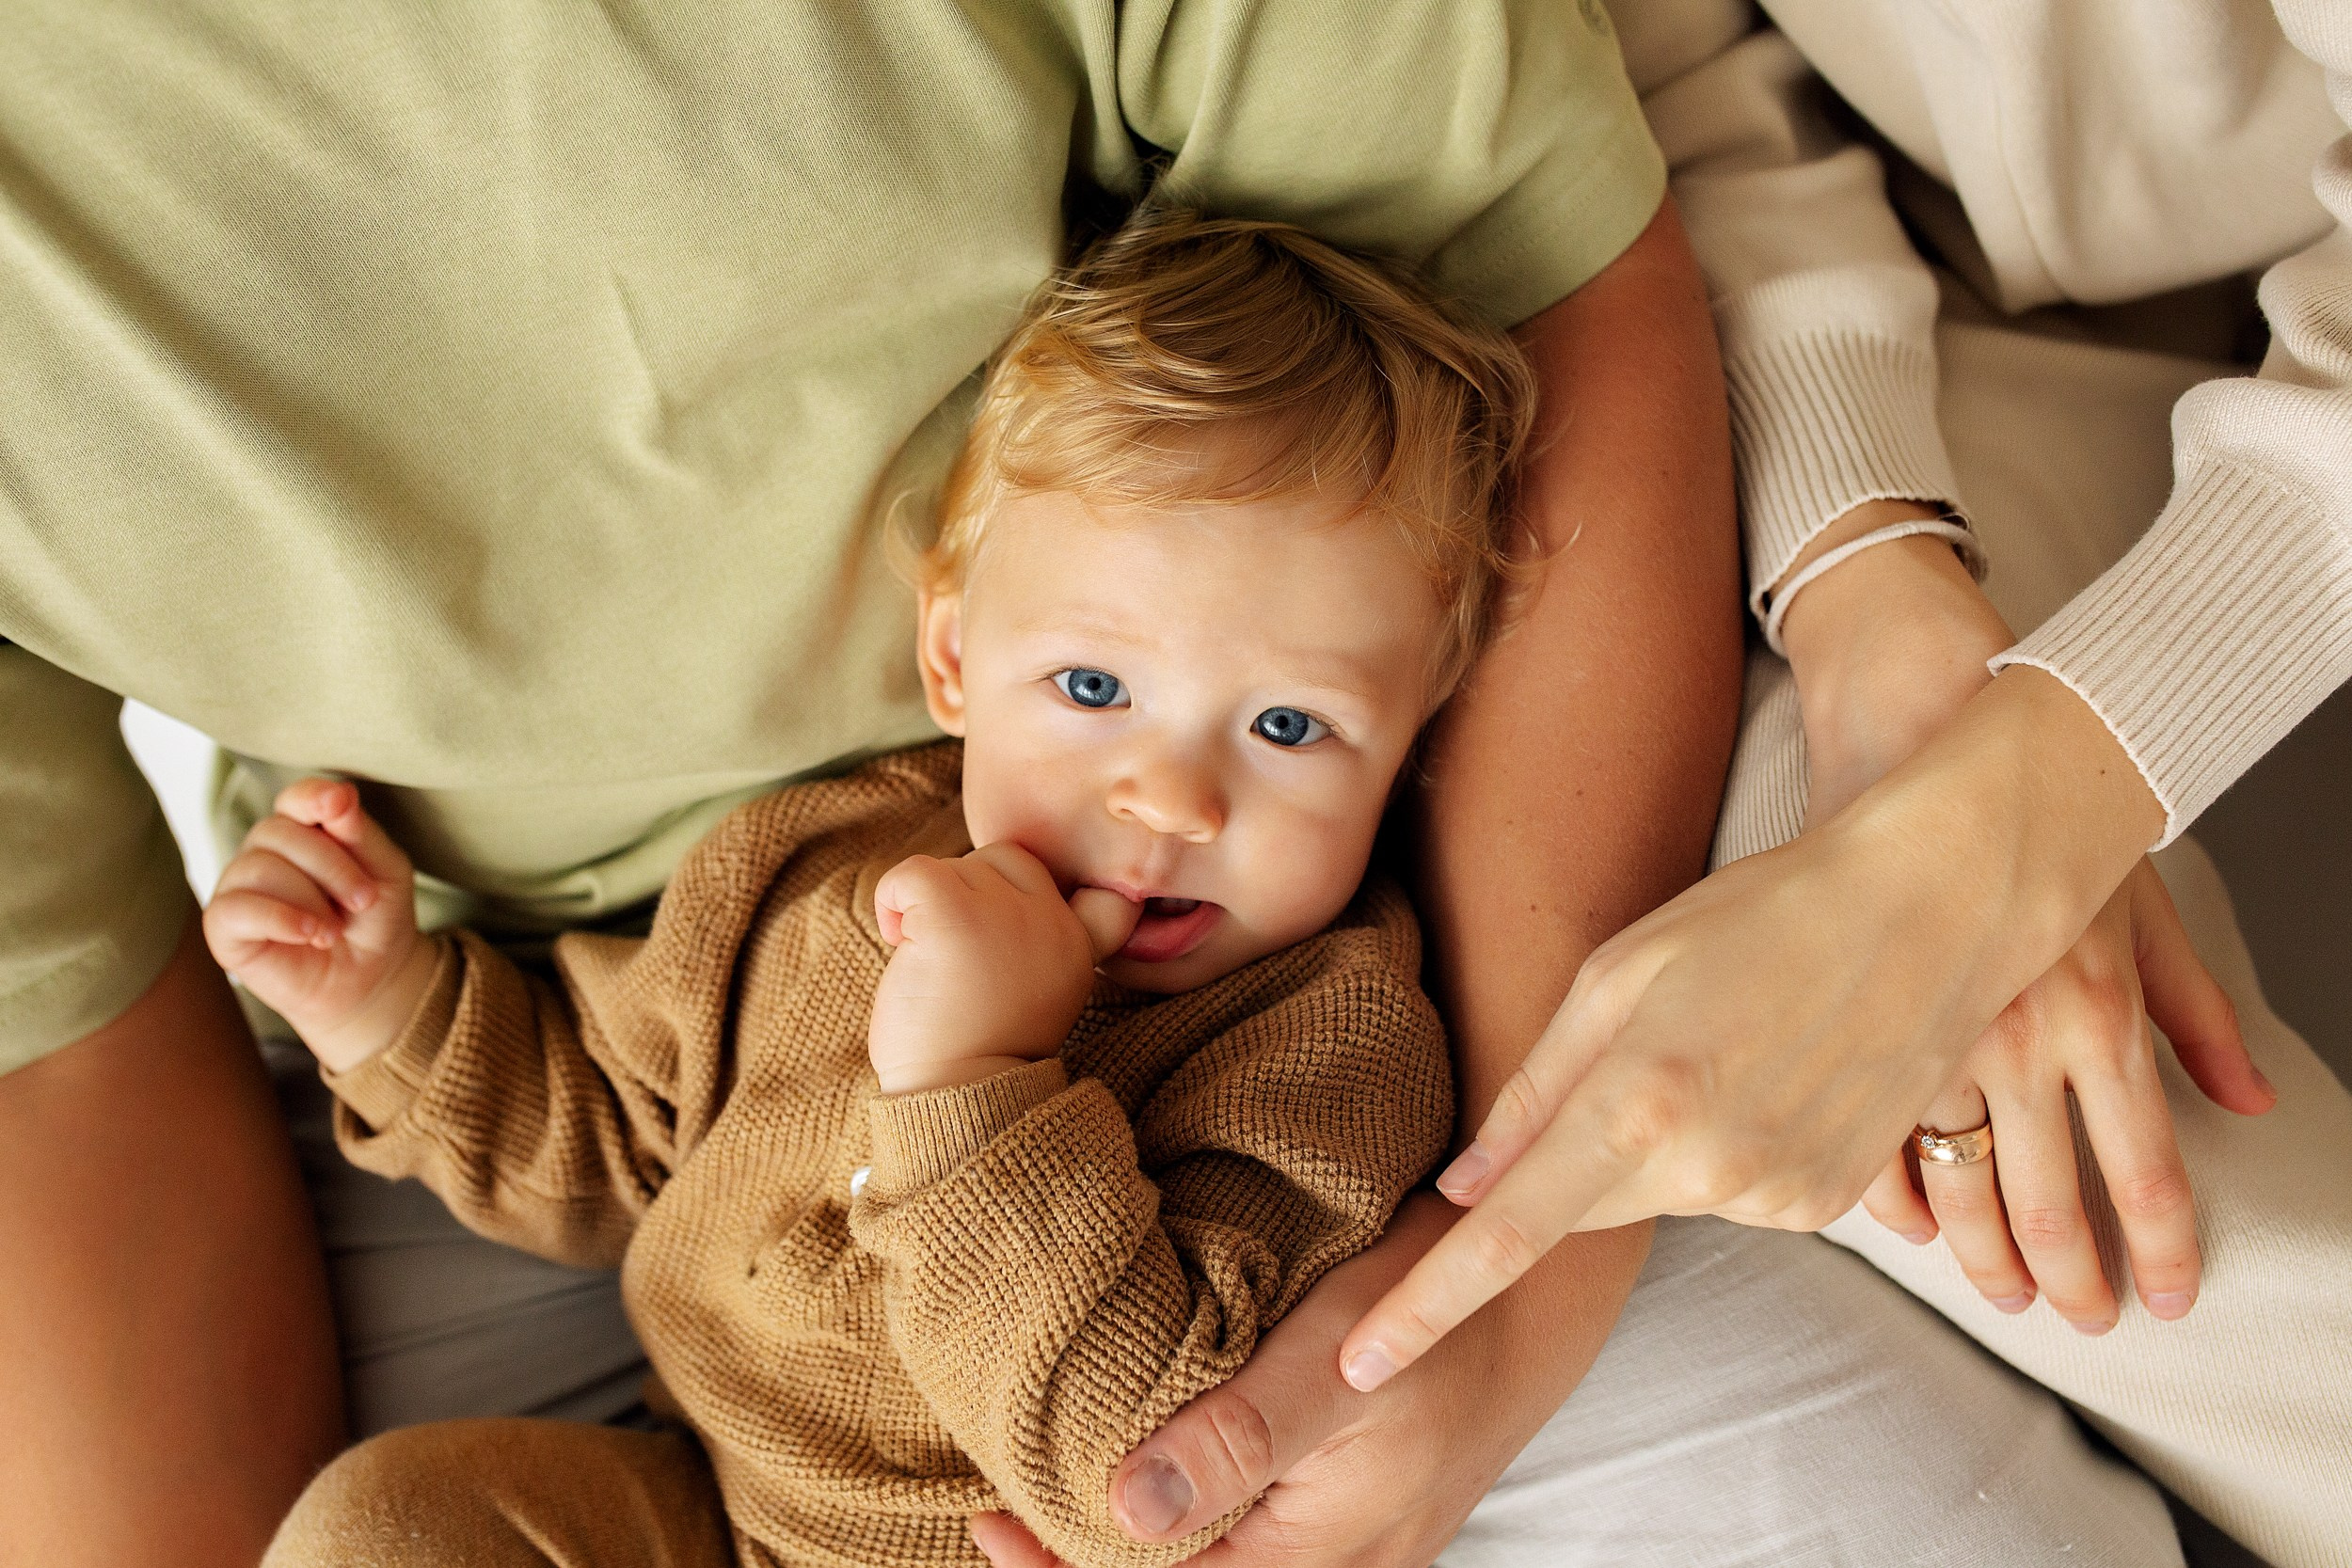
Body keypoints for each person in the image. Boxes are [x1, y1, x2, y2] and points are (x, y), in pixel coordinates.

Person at [226, 209, 1511, 1566]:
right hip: (702, 1506)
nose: (1170, 800)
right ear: (952, 661)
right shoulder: (824, 861)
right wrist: (391, 1011)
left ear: (1413, 748)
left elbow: (1143, 1472)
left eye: (1289, 726)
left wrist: (976, 1079)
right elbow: (615, 1135)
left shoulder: (1330, 1046)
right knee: (385, 1528)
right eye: (1092, 687)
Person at [1314, 3, 2352, 1563]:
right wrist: (1865, 567)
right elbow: (1673, 59)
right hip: (1924, 305)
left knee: (1903, 964)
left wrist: (2018, 817)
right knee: (1832, 980)